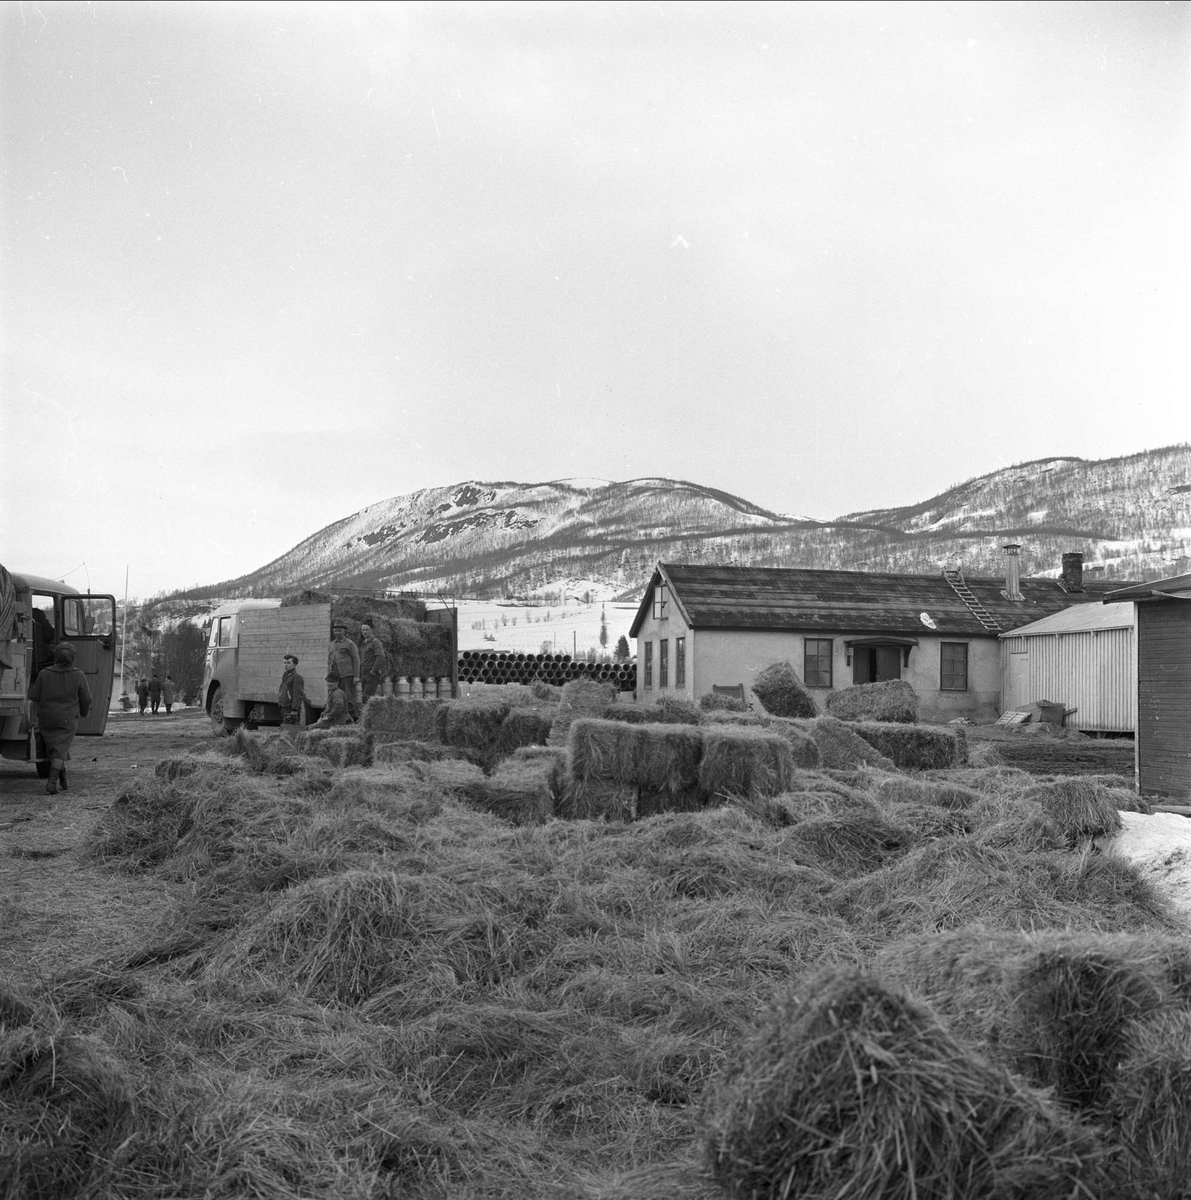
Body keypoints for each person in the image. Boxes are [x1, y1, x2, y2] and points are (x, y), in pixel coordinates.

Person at [27, 642, 92, 795]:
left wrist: (34, 719)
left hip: (46, 718)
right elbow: (87, 699)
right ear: (72, 658)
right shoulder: (78, 675)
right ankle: (52, 782)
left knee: (54, 749)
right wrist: (83, 712)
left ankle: (62, 776)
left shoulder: (44, 673)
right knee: (60, 750)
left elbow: (34, 697)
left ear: (56, 657)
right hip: (67, 720)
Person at [327, 622, 361, 720]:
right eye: (335, 631)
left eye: (339, 630)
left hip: (347, 675)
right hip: (336, 677)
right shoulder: (331, 645)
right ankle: (340, 718)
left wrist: (356, 676)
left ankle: (353, 718)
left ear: (344, 631)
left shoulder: (349, 643)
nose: (337, 632)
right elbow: (330, 660)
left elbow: (356, 660)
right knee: (337, 697)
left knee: (349, 698)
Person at [359, 622, 389, 704]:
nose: (365, 632)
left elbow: (380, 657)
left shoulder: (375, 642)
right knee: (364, 697)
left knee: (367, 697)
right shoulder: (364, 643)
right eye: (363, 630)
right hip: (364, 672)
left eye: (367, 630)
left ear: (372, 630)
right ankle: (365, 715)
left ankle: (367, 715)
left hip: (371, 673)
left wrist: (373, 670)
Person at [278, 654, 305, 725]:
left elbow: (297, 694)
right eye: (284, 663)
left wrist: (294, 709)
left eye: (288, 663)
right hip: (284, 706)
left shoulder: (296, 677)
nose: (286, 665)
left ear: (295, 664)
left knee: (291, 728)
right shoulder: (285, 676)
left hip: (290, 707)